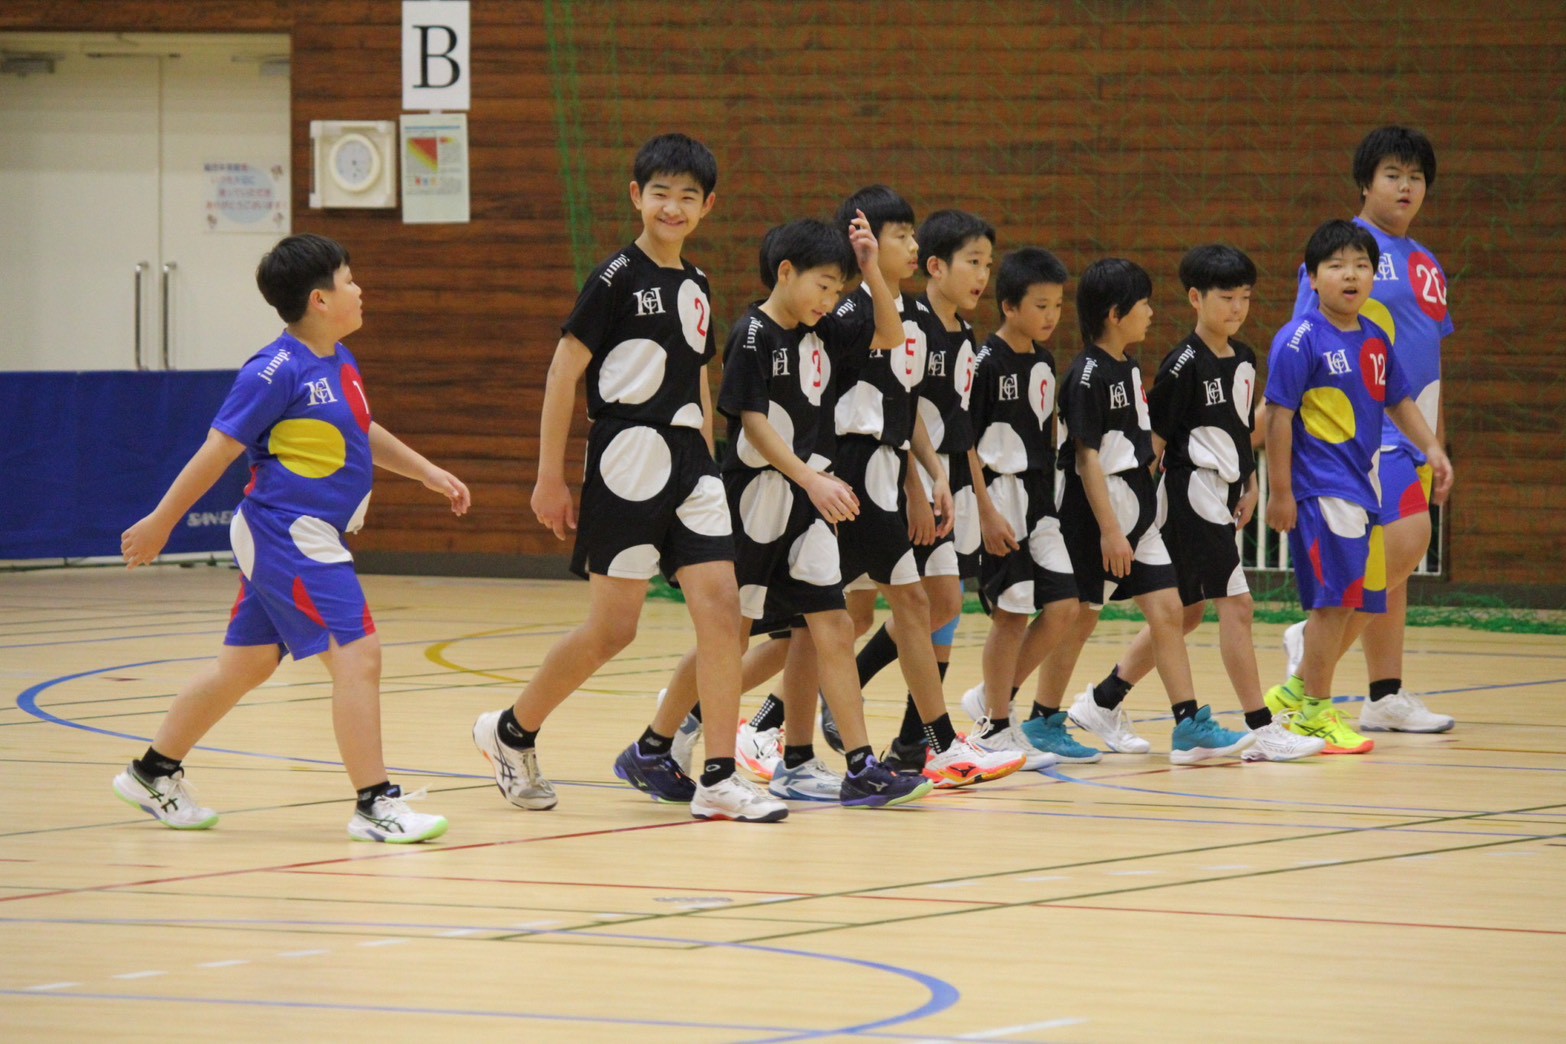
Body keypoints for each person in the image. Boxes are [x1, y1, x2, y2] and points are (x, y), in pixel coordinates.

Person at [470, 133, 785, 823]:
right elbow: (563, 372)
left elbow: (697, 378)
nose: (673, 207)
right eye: (661, 193)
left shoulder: (698, 284)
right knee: (614, 629)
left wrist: (710, 463)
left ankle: (719, 776)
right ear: (637, 196)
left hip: (692, 466)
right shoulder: (614, 276)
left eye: (688, 197)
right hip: (626, 459)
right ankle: (511, 731)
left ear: (707, 207)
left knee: (722, 612)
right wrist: (549, 477)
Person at [114, 233, 469, 843]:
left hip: (303, 534)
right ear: (320, 299)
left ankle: (152, 773)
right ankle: (375, 805)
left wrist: (426, 472)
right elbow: (218, 449)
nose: (359, 289)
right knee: (358, 654)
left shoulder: (338, 359)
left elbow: (361, 429)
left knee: (246, 665)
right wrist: (162, 521)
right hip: (288, 533)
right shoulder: (273, 369)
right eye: (349, 280)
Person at [627, 219, 932, 808]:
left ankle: (861, 766)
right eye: (823, 286)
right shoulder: (753, 335)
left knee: (832, 625)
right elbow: (753, 423)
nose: (830, 301)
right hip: (757, 498)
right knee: (730, 637)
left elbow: (891, 335)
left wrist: (870, 268)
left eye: (838, 291)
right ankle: (654, 742)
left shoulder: (823, 333)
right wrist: (810, 477)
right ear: (786, 273)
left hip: (808, 501)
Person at [1061, 246, 1325, 763]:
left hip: (1222, 493)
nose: (1237, 308)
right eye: (1226, 298)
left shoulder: (1244, 358)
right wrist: (1129, 519)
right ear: (1196, 299)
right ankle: (1262, 728)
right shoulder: (1182, 364)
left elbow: (1237, 430)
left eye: (1245, 297)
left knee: (1183, 613)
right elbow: (1153, 442)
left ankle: (1102, 701)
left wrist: (1251, 482)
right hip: (1187, 496)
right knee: (1237, 606)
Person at [1030, 258, 1256, 762]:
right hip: (1097, 515)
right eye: (1144, 304)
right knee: (1078, 619)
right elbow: (1087, 459)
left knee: (1170, 610)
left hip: (1139, 513)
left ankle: (1188, 724)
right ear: (1115, 313)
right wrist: (1111, 530)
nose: (1152, 313)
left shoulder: (1129, 366)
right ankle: (1036, 716)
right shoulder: (1085, 376)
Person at [1278, 127, 1457, 734]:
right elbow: (1307, 345)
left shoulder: (1427, 263)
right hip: (1361, 434)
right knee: (1405, 542)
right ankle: (1311, 646)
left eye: (1416, 177)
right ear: (1364, 182)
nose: (1406, 187)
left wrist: (1436, 442)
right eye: (1392, 175)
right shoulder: (1343, 254)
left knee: (1394, 567)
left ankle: (1384, 694)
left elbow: (1429, 356)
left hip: (1412, 433)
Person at [856, 209, 1003, 769]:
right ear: (936, 267)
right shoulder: (909, 321)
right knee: (861, 610)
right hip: (899, 475)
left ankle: (914, 743)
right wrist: (915, 486)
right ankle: (809, 703)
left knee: (942, 604)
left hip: (943, 480)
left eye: (988, 265)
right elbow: (901, 407)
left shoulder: (964, 335)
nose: (982, 275)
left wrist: (981, 503)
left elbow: (960, 429)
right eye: (973, 262)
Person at [958, 247, 1092, 766]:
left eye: (1057, 305)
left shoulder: (1043, 360)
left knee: (1064, 606)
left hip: (1039, 500)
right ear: (1010, 306)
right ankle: (995, 726)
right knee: (1012, 614)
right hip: (999, 497)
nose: (1051, 316)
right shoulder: (984, 363)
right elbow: (965, 444)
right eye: (1041, 306)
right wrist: (985, 511)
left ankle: (992, 697)